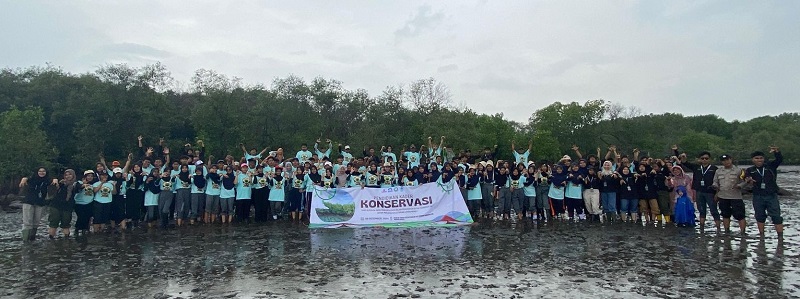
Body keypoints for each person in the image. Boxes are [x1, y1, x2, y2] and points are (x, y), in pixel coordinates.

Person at [744, 147, 784, 238]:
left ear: (764, 159)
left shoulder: (770, 166)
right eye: (756, 158)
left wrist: (777, 152)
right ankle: (761, 236)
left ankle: (780, 237)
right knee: (760, 216)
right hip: (758, 196)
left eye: (761, 158)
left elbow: (779, 160)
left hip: (771, 195)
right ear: (752, 160)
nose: (759, 160)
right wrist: (749, 180)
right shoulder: (750, 170)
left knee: (776, 216)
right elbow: (746, 178)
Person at [681, 150, 721, 230]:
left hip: (710, 192)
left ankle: (718, 228)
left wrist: (717, 193)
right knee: (701, 210)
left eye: (706, 158)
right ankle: (701, 227)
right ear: (699, 159)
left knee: (713, 210)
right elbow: (685, 163)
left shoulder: (714, 169)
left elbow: (719, 181)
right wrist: (682, 156)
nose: (704, 160)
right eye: (702, 158)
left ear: (710, 159)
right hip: (699, 191)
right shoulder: (696, 167)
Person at [712, 154, 747, 234]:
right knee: (725, 214)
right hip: (723, 196)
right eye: (724, 160)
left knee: (740, 215)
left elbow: (745, 181)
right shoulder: (718, 171)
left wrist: (739, 186)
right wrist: (715, 187)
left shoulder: (739, 170)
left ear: (731, 159)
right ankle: (726, 231)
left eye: (727, 160)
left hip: (736, 196)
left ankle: (743, 232)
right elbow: (715, 181)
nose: (726, 162)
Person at [19, 167, 57, 241]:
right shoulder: (31, 179)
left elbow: (52, 181)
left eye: (43, 171)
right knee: (27, 222)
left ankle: (32, 238)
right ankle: (25, 240)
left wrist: (55, 179)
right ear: (37, 172)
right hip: (29, 202)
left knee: (36, 222)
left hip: (40, 203)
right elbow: (26, 178)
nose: (41, 172)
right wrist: (24, 179)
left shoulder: (47, 180)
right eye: (40, 171)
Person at [47, 169, 78, 239]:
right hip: (55, 206)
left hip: (68, 207)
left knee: (66, 224)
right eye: (66, 175)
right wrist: (54, 180)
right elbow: (49, 185)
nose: (68, 176)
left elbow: (80, 187)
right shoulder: (60, 183)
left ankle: (66, 240)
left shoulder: (75, 184)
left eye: (70, 174)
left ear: (73, 175)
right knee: (53, 223)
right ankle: (51, 239)